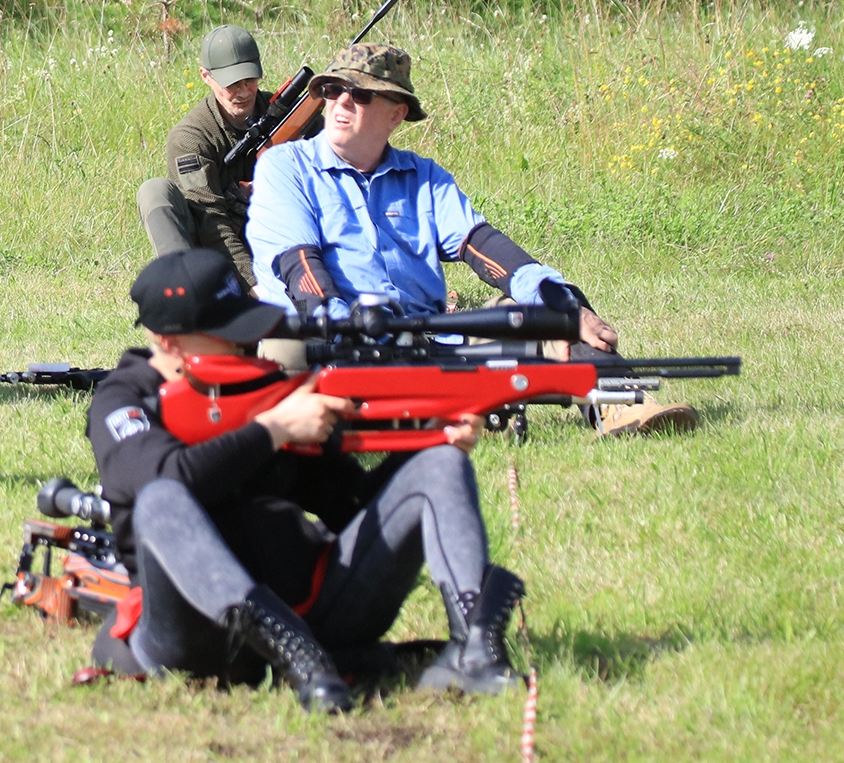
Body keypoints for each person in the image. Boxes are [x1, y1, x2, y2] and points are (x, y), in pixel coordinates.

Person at [86, 248, 524, 713]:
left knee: (439, 463)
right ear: (168, 341)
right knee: (161, 500)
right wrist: (273, 430)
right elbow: (165, 479)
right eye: (228, 335)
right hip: (194, 636)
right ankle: (299, 656)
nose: (248, 345)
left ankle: (474, 648)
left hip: (318, 611)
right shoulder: (125, 399)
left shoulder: (267, 393)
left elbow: (352, 507)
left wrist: (426, 439)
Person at [246, 43, 697, 438]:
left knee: (550, 312)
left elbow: (485, 248)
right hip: (329, 339)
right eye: (332, 90)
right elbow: (299, 269)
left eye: (360, 94)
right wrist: (351, 330)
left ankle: (622, 405)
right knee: (282, 345)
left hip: (422, 339)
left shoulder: (425, 177)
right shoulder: (284, 168)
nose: (341, 102)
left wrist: (564, 305)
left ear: (397, 114)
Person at [136, 25, 318, 288]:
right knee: (154, 191)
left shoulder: (288, 115)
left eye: (249, 80)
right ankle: (186, 294)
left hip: (288, 241)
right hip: (215, 253)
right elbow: (211, 222)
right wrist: (256, 288)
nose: (244, 92)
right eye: (232, 83)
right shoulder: (191, 137)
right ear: (205, 76)